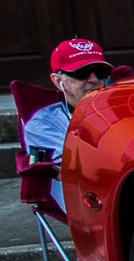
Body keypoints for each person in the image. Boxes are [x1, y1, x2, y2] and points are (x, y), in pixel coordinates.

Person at [22, 39, 115, 213]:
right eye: (81, 73)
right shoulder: (43, 124)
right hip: (90, 206)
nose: (94, 80)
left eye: (101, 72)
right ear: (58, 81)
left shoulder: (122, 109)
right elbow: (75, 171)